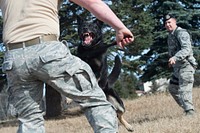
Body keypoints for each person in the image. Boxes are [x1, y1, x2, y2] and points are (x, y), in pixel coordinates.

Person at [0, 0, 134, 133]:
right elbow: (93, 3)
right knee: (95, 100)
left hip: (13, 58)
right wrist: (119, 27)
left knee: (29, 119)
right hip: (47, 49)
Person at [164, 14, 197, 116]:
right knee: (173, 88)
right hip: (177, 68)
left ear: (175, 22)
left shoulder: (181, 33)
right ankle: (187, 108)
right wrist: (171, 61)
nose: (167, 24)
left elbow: (186, 49)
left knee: (184, 89)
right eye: (166, 23)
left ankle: (190, 112)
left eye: (169, 22)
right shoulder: (170, 35)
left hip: (186, 66)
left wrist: (175, 58)